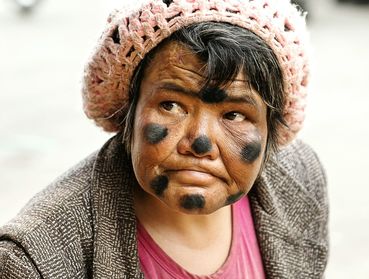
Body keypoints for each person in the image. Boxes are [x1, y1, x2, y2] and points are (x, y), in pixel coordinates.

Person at [0, 0, 329, 278]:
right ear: (128, 111)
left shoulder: (301, 176)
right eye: (171, 106)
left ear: (271, 128)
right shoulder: (34, 260)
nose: (199, 142)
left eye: (234, 115)